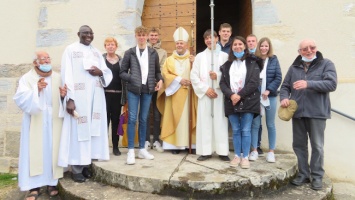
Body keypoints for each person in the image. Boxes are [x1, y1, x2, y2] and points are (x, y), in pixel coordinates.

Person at [280, 39, 337, 190]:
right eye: (305, 49)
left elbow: (332, 84)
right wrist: (284, 97)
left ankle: (317, 176)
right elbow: (285, 86)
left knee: (317, 146)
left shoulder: (326, 64)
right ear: (299, 52)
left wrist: (308, 83)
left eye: (312, 47)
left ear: (316, 48)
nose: (309, 50)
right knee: (299, 145)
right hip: (298, 112)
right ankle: (303, 174)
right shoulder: (294, 68)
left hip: (317, 112)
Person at [59, 25, 113, 183]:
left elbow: (106, 72)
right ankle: (76, 168)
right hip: (78, 96)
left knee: (92, 131)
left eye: (91, 33)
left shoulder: (96, 52)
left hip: (96, 97)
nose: (88, 35)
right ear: (79, 34)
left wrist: (100, 72)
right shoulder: (70, 50)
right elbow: (66, 74)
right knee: (79, 132)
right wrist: (70, 98)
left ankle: (86, 165)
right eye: (85, 33)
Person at [13, 51, 67, 199]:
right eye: (43, 59)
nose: (47, 61)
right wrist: (36, 89)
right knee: (34, 151)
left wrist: (63, 96)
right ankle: (34, 187)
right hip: (35, 120)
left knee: (52, 150)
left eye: (48, 58)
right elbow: (20, 98)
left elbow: (64, 99)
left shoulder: (57, 77)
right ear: (35, 62)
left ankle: (52, 183)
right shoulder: (27, 78)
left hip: (54, 119)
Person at [119, 26, 163, 165]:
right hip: (133, 89)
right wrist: (132, 78)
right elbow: (122, 72)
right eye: (139, 35)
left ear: (147, 37)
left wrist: (160, 80)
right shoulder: (130, 53)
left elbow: (157, 71)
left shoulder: (152, 53)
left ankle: (142, 150)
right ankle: (131, 150)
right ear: (136, 36)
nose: (142, 37)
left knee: (144, 118)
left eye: (144, 35)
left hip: (148, 89)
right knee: (132, 119)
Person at [220, 36, 261, 169]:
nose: (237, 47)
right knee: (236, 130)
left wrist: (240, 95)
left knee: (245, 129)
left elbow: (254, 82)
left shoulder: (253, 62)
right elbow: (223, 83)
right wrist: (232, 95)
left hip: (248, 100)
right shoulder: (226, 65)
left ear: (245, 46)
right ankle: (237, 155)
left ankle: (245, 157)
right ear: (232, 48)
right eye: (235, 45)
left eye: (240, 44)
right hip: (231, 100)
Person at [190, 29, 230, 162]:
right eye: (206, 38)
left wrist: (217, 77)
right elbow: (193, 76)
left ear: (217, 38)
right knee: (205, 122)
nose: (208, 40)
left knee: (220, 122)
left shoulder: (224, 56)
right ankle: (205, 151)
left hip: (219, 94)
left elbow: (229, 75)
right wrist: (206, 89)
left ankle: (222, 151)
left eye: (211, 37)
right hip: (205, 94)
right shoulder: (200, 57)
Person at [157, 27, 197, 154]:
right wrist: (179, 80)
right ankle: (174, 146)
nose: (179, 45)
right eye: (178, 43)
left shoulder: (192, 59)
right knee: (174, 119)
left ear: (186, 45)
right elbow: (165, 74)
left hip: (190, 94)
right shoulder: (169, 60)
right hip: (174, 94)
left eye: (182, 43)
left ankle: (190, 145)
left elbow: (199, 73)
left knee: (188, 119)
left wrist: (195, 64)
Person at [249, 37, 282, 162]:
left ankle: (271, 152)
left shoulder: (274, 59)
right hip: (256, 97)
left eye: (266, 46)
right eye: (261, 46)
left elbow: (278, 77)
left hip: (270, 96)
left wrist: (269, 90)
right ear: (258, 47)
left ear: (269, 47)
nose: (263, 48)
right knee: (255, 124)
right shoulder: (254, 59)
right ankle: (254, 151)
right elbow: (250, 77)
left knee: (270, 124)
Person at [145, 27, 167, 153]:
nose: (153, 37)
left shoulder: (163, 52)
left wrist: (157, 80)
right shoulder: (143, 49)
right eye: (151, 35)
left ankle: (157, 140)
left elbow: (163, 67)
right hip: (145, 86)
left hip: (158, 85)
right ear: (148, 36)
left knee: (157, 114)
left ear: (158, 36)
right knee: (146, 114)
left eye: (155, 35)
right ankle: (146, 140)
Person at [103, 37, 123, 156]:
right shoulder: (101, 59)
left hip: (117, 94)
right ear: (105, 47)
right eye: (108, 44)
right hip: (104, 95)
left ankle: (115, 147)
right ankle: (103, 147)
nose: (110, 46)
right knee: (104, 121)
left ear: (116, 47)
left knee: (115, 121)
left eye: (112, 44)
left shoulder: (121, 60)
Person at [247, 34, 263, 155]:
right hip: (247, 93)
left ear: (256, 43)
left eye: (253, 41)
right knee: (247, 121)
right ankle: (249, 146)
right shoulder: (244, 56)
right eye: (249, 41)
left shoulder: (261, 56)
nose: (251, 43)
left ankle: (257, 145)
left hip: (259, 92)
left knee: (257, 121)